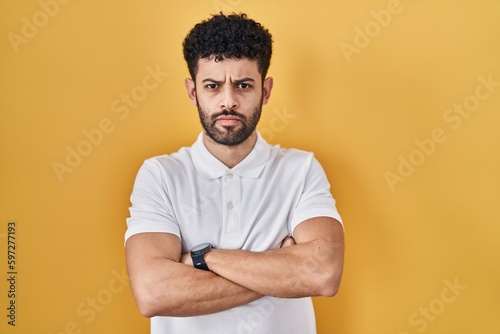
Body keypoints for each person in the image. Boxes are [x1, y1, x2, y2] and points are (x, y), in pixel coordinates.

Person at [124, 12, 344, 334]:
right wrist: (282, 272)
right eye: (213, 86)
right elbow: (154, 293)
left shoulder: (301, 169)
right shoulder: (159, 175)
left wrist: (204, 258)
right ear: (192, 91)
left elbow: (322, 274)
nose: (229, 102)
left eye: (243, 85)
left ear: (265, 91)